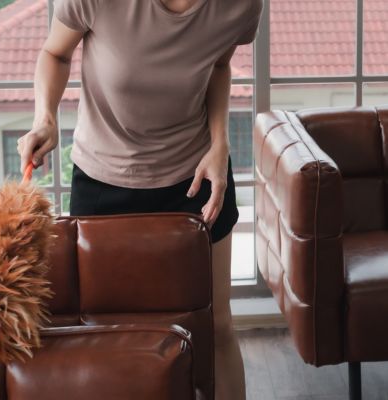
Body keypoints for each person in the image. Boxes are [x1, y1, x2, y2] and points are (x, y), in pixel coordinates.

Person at [17, 0, 263, 398]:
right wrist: (45, 117)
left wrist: (220, 145)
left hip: (197, 175)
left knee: (216, 326)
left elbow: (218, 66)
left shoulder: (241, 6)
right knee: (106, 334)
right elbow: (54, 52)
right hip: (103, 181)